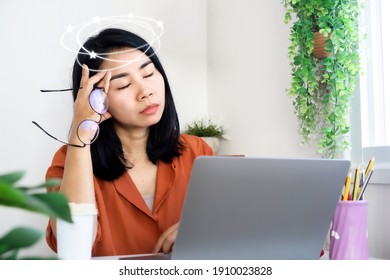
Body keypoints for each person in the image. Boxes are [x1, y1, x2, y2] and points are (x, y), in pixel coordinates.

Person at [45, 28, 214, 257]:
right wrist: (81, 133)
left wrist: (197, 230)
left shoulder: (197, 152)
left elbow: (229, 231)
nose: (145, 92)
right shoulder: (69, 161)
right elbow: (73, 248)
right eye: (123, 85)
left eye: (148, 74)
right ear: (97, 99)